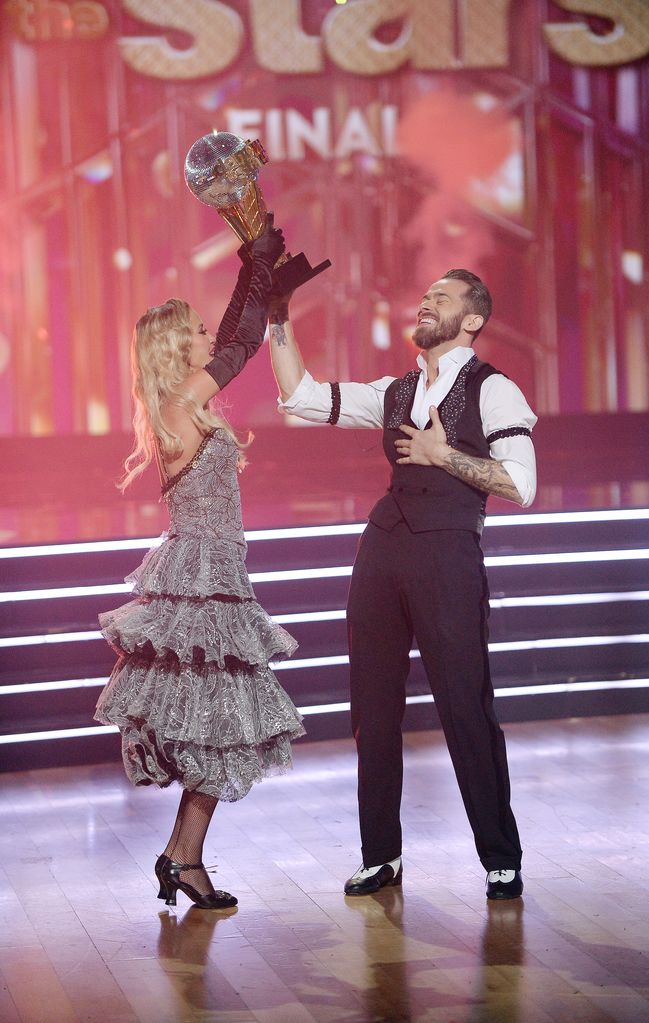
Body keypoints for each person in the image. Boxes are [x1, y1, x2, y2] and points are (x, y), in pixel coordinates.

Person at [268, 269, 536, 900]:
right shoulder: (397, 390)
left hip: (447, 555)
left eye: (442, 298)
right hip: (383, 550)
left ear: (472, 319)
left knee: (464, 707)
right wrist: (279, 317)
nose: (426, 301)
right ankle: (380, 853)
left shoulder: (494, 389)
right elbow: (302, 396)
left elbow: (521, 485)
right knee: (374, 707)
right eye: (426, 295)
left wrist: (447, 457)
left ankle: (500, 855)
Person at [95, 215, 304, 910]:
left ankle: (181, 859)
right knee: (223, 726)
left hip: (215, 578)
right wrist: (258, 260)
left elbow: (237, 336)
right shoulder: (183, 401)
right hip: (202, 584)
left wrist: (260, 266)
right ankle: (183, 862)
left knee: (222, 727)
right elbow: (242, 339)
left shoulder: (186, 403)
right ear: (170, 349)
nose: (204, 336)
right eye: (192, 330)